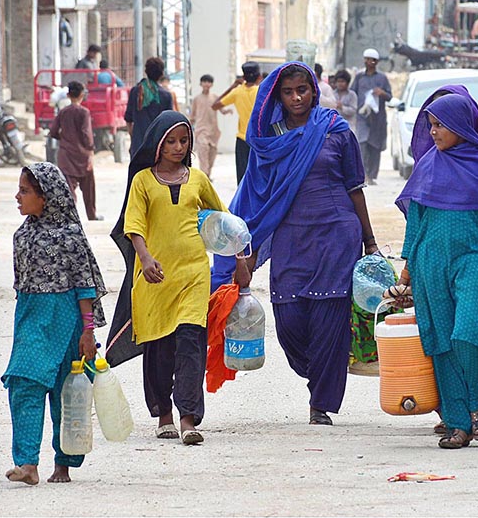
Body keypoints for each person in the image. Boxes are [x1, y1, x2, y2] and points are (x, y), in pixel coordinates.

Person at [210, 62, 379, 426]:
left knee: (330, 318)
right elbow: (256, 194)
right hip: (290, 236)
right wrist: (244, 248)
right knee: (289, 322)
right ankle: (316, 373)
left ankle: (322, 401)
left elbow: (355, 187)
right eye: (288, 92)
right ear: (277, 96)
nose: (297, 97)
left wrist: (370, 240)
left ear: (313, 90)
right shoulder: (269, 140)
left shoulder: (335, 130)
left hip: (337, 233)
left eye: (302, 89)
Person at [391, 93, 478, 448]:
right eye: (432, 126)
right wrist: (406, 274)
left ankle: (477, 401)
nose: (434, 132)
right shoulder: (427, 165)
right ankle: (458, 423)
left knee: (470, 332)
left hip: (475, 261)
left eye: (441, 125)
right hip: (429, 264)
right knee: (441, 342)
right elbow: (416, 221)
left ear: (459, 125)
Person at [113, 111, 234, 445]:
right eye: (171, 141)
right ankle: (163, 414)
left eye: (184, 140)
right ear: (157, 143)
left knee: (191, 343)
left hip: (194, 273)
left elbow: (222, 221)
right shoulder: (143, 182)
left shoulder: (197, 180)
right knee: (159, 348)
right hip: (154, 278)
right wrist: (146, 258)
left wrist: (240, 256)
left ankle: (188, 419)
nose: (178, 147)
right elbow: (133, 225)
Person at [2, 162, 107, 484]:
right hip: (32, 322)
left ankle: (64, 462)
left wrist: (88, 331)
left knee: (67, 394)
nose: (17, 197)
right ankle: (27, 464)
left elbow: (85, 286)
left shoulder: (70, 236)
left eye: (25, 191)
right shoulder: (23, 235)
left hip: (66, 324)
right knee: (23, 384)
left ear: (45, 197)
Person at [49, 81, 102, 221]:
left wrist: (65, 137)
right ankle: (91, 214)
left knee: (68, 187)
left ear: (68, 95)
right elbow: (86, 134)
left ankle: (69, 215)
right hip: (82, 155)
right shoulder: (84, 112)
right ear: (82, 95)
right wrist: (90, 150)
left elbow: (53, 132)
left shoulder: (63, 112)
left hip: (66, 155)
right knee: (89, 186)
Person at [212, 61, 262, 184]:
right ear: (259, 77)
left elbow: (215, 105)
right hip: (259, 140)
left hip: (242, 140)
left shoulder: (237, 92)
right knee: (258, 177)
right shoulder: (261, 91)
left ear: (243, 77)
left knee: (242, 178)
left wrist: (233, 86)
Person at [351, 48, 392, 185]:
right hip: (362, 117)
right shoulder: (359, 77)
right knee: (362, 145)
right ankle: (364, 174)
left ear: (377, 62)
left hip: (377, 118)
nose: (370, 62)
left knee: (375, 146)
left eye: (372, 60)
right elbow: (353, 93)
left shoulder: (382, 78)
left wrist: (381, 93)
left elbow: (389, 97)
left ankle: (372, 175)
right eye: (367, 59)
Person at [124, 57, 174, 159]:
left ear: (146, 71)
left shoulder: (135, 92)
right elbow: (170, 123)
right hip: (159, 147)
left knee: (138, 174)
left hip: (138, 145)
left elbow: (128, 119)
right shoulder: (166, 95)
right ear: (161, 74)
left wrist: (134, 137)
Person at [189, 74, 233, 178]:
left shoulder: (215, 97)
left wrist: (227, 111)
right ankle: (205, 176)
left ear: (212, 84)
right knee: (203, 154)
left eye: (209, 82)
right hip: (201, 131)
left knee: (211, 155)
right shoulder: (196, 99)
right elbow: (192, 116)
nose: (206, 84)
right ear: (201, 83)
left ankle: (207, 174)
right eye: (204, 82)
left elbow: (222, 110)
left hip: (213, 132)